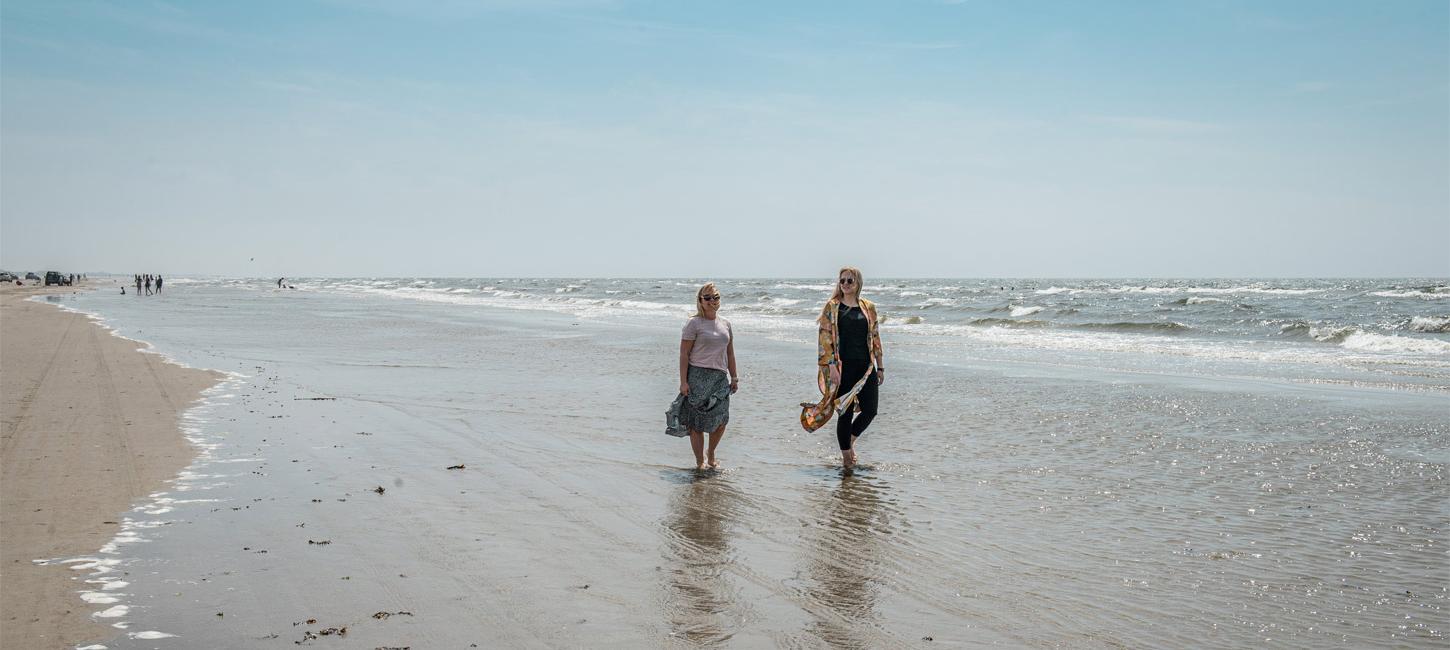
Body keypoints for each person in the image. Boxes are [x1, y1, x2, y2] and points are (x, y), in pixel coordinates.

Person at [801, 267, 884, 469]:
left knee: (870, 410)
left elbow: (875, 337)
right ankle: (847, 457)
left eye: (850, 281)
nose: (846, 284)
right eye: (843, 281)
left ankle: (850, 441)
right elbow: (825, 339)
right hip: (842, 367)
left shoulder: (868, 307)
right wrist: (832, 368)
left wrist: (880, 367)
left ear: (858, 284)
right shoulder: (832, 307)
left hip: (866, 368)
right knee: (844, 412)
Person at [678, 282, 739, 471]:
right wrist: (683, 382)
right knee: (696, 422)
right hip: (697, 376)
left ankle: (711, 453)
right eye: (708, 298)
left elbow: (730, 353)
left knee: (721, 419)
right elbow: (684, 354)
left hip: (720, 378)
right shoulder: (693, 323)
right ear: (700, 301)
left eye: (716, 297)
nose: (712, 301)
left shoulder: (726, 324)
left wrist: (734, 377)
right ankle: (699, 461)